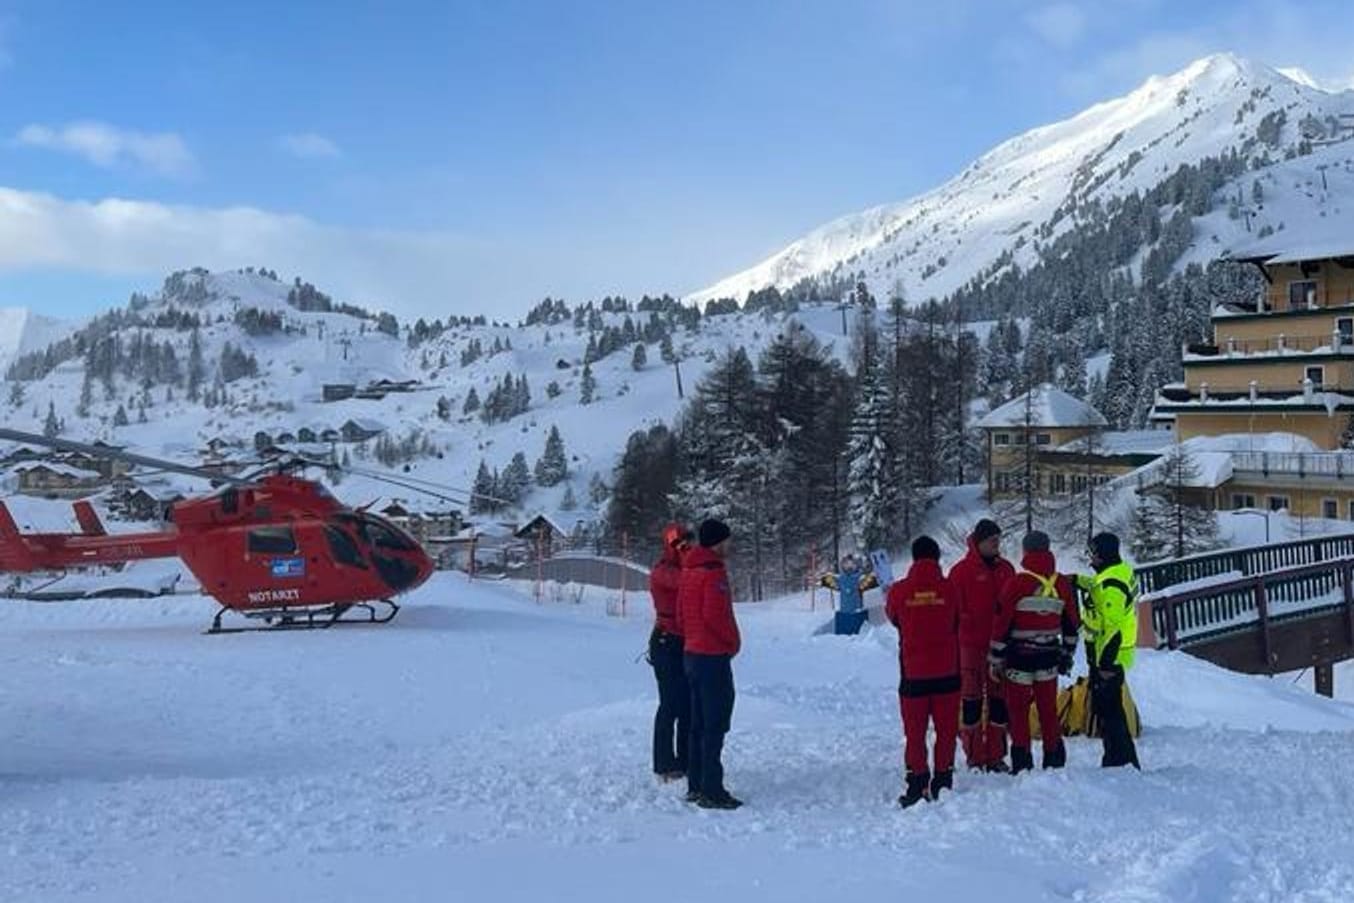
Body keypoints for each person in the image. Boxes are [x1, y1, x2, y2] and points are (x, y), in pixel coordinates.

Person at [990, 531, 1079, 775]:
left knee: (1018, 712)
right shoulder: (1061, 583)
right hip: (1049, 656)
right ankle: (1054, 758)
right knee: (1047, 709)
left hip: (1019, 657)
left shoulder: (1018, 583)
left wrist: (995, 657)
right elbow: (1072, 624)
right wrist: (1067, 653)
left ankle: (1023, 762)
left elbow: (1002, 623)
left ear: (1026, 552)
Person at [885, 535, 961, 808]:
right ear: (937, 557)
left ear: (914, 558)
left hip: (913, 674)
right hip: (948, 673)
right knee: (946, 730)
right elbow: (957, 618)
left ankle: (917, 782)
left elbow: (894, 618)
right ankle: (943, 780)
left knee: (915, 733)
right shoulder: (950, 588)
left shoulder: (899, 591)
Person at [677, 518, 743, 810]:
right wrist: (732, 643)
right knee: (715, 722)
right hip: (711, 656)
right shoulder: (713, 573)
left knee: (697, 722)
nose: (730, 545)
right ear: (718, 542)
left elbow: (680, 615)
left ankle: (696, 783)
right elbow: (716, 616)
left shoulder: (689, 570)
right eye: (727, 540)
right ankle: (712, 789)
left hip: (691, 653)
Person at [947, 518, 1015, 772]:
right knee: (971, 703)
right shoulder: (961, 572)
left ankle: (996, 755)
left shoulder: (1006, 569)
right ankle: (974, 755)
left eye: (999, 540)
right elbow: (952, 610)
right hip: (970, 647)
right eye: (992, 540)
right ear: (979, 542)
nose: (997, 544)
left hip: (999, 646)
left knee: (999, 703)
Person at [1076, 532, 1141, 769]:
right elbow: (1099, 585)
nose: (1090, 559)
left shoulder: (1112, 585)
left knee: (1110, 711)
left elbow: (1112, 629)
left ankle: (1120, 760)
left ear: (1102, 555)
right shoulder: (1118, 572)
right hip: (1111, 656)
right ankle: (1119, 758)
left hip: (1109, 657)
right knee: (1109, 709)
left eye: (1093, 554)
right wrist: (1078, 581)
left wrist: (1104, 664)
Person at [648, 523, 692, 782]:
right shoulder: (663, 571)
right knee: (670, 704)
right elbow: (686, 581)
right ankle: (664, 764)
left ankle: (685, 760)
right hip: (666, 641)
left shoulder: (681, 567)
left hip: (685, 640)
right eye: (682, 543)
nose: (687, 547)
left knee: (687, 704)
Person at [820, 554, 879, 635]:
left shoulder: (859, 578)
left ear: (857, 565)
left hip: (857, 611)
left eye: (852, 564)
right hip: (844, 612)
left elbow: (871, 581)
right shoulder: (841, 579)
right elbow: (828, 580)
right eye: (846, 564)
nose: (849, 567)